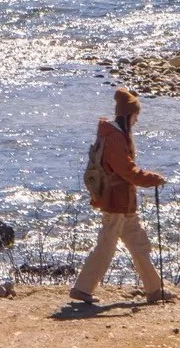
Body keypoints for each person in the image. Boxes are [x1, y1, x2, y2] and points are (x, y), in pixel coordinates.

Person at [70, 85, 168, 305]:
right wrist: (152, 179)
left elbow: (126, 171)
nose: (136, 121)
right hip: (116, 202)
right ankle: (82, 289)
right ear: (128, 115)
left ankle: (154, 290)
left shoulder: (114, 134)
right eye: (135, 116)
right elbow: (127, 171)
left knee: (138, 244)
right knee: (107, 246)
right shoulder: (116, 138)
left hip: (123, 202)